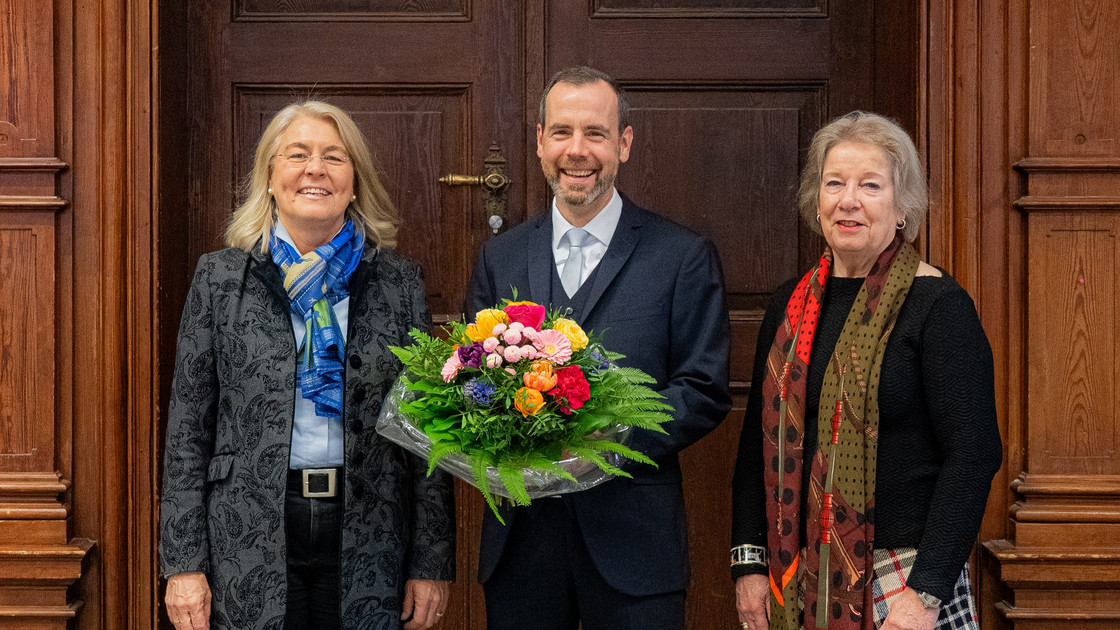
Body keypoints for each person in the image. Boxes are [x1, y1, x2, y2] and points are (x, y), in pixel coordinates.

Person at [159, 101, 455, 630]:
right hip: (247, 532)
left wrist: (431, 562)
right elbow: (187, 433)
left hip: (370, 530)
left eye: (334, 157)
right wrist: (183, 565)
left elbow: (427, 434)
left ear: (354, 181)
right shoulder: (221, 279)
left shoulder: (398, 283)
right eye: (297, 154)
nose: (315, 168)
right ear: (270, 178)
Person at [465, 66, 732, 630]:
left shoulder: (681, 256)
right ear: (539, 142)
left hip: (635, 547)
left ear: (624, 144)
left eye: (596, 133)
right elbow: (471, 382)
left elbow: (703, 390)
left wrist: (606, 443)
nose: (577, 151)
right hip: (521, 548)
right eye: (561, 132)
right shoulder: (501, 258)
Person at [730, 111, 1002, 630]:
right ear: (817, 201)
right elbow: (753, 449)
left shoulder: (938, 306)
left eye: (870, 185)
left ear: (902, 208)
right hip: (794, 576)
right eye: (835, 183)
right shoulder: (789, 305)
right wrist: (748, 566)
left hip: (904, 579)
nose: (848, 200)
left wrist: (925, 592)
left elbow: (974, 454)